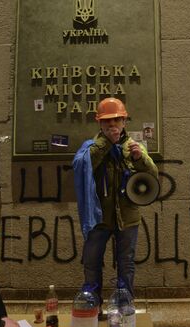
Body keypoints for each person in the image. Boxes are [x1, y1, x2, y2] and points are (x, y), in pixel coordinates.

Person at [73, 97, 158, 304]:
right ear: (99, 123)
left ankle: (124, 306)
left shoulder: (133, 146)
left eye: (116, 120)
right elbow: (82, 165)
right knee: (92, 262)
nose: (112, 125)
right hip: (98, 218)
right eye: (107, 121)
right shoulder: (91, 147)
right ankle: (92, 304)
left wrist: (140, 159)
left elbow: (153, 175)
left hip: (127, 217)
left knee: (126, 263)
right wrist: (107, 143)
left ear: (124, 121)